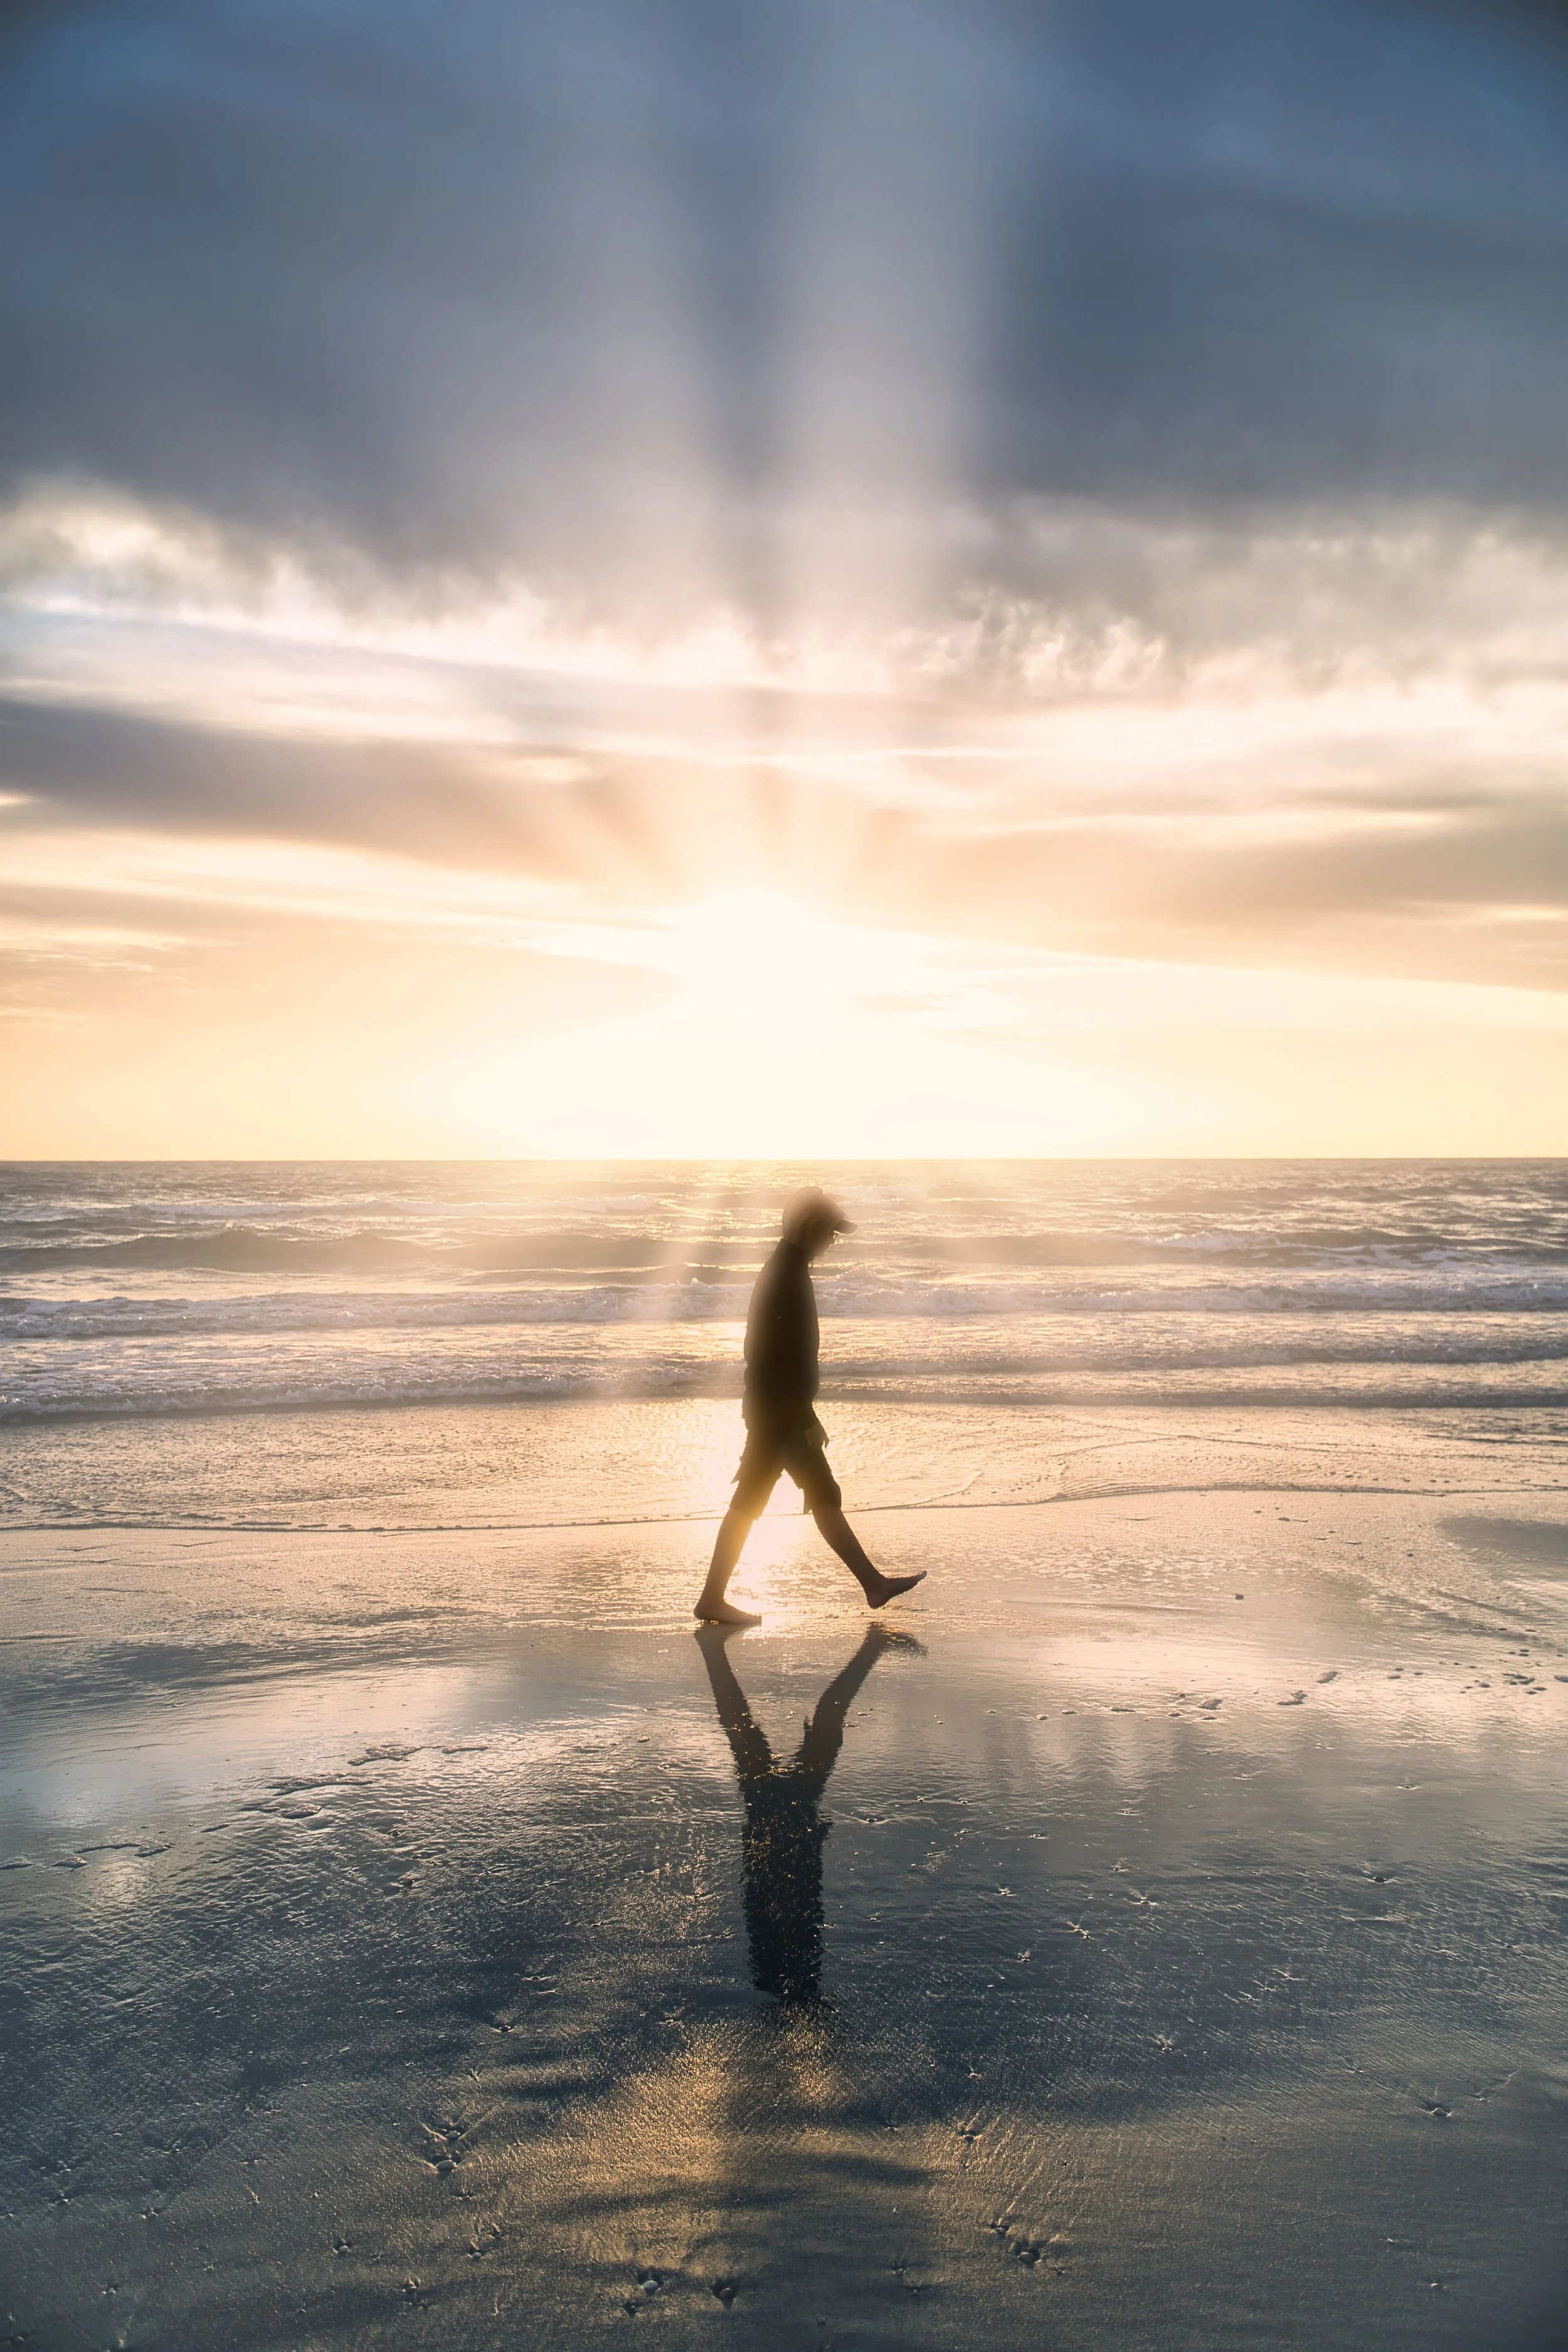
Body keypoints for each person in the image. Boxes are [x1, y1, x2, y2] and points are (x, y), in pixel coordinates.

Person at [693, 1185, 926, 1625]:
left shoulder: (788, 1268)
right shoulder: (787, 1274)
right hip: (780, 1411)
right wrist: (803, 1417)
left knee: (760, 1499)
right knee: (818, 1493)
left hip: (772, 1408)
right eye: (829, 1232)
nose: (833, 1241)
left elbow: (771, 1355)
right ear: (809, 1228)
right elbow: (774, 1357)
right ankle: (872, 1585)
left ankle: (713, 1598)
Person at [696, 1619, 914, 2003]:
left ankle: (871, 1648)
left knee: (785, 1732)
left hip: (781, 1817)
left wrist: (807, 1843)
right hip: (777, 1817)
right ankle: (714, 1655)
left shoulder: (790, 1955)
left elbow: (796, 1893)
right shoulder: (784, 1955)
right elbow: (785, 1894)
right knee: (751, 1732)